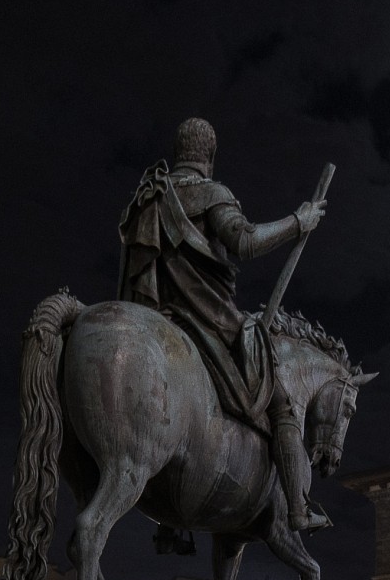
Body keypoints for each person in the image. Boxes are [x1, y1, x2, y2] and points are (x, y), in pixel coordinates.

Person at [119, 117, 328, 531]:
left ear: (179, 151)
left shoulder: (147, 198)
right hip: (208, 319)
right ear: (209, 157)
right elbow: (245, 242)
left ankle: (169, 527)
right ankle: (298, 511)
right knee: (281, 402)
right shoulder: (211, 193)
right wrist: (297, 222)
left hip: (158, 317)